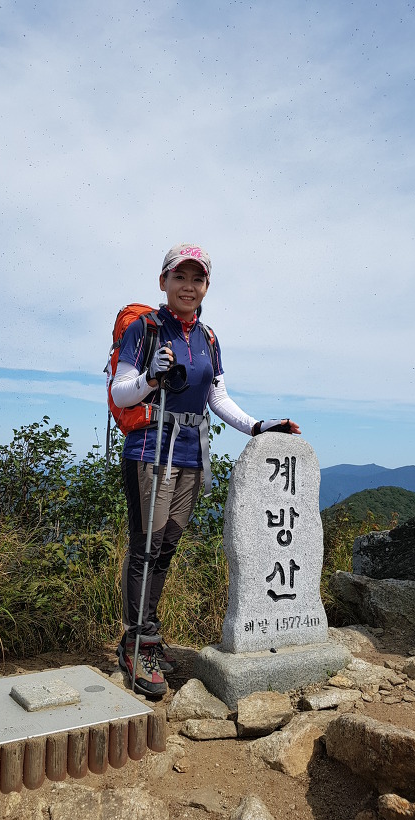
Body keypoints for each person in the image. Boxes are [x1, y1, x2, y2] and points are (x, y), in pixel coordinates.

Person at [111, 243, 300, 696]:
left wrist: (256, 426)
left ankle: (148, 635)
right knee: (146, 548)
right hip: (150, 452)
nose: (188, 286)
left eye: (197, 279)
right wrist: (150, 378)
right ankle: (137, 644)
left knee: (166, 548)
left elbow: (217, 396)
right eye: (180, 277)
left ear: (206, 286)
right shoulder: (144, 330)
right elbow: (120, 392)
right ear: (163, 282)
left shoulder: (208, 338)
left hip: (192, 454)